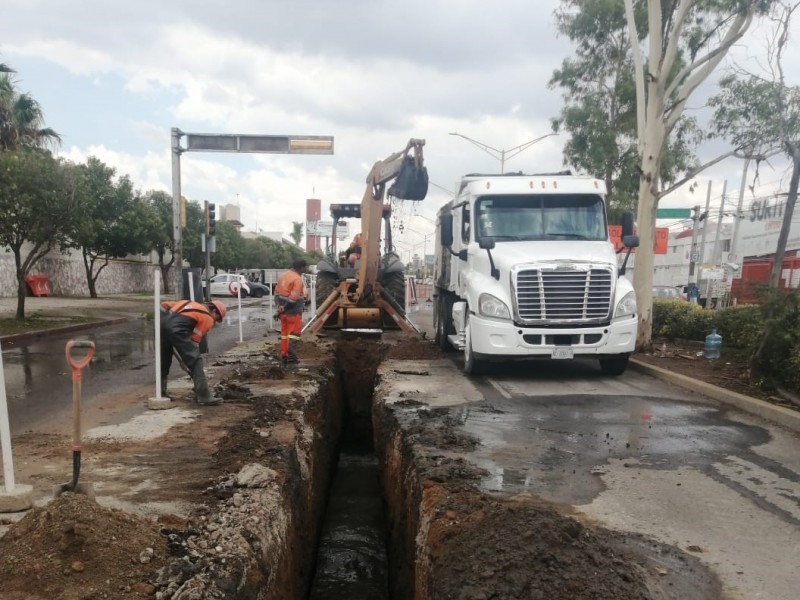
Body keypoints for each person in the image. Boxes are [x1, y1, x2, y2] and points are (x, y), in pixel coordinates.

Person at [160, 298, 227, 405]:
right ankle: (204, 396)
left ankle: (161, 393)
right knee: (196, 361)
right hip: (178, 330)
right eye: (217, 319)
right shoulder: (207, 317)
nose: (215, 322)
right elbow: (194, 340)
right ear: (214, 311)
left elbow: (164, 305)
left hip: (162, 325)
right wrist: (188, 359)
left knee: (164, 360)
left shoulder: (189, 303)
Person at [275, 258, 307, 368]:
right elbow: (293, 299)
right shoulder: (297, 279)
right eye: (304, 268)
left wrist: (279, 307)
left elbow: (276, 293)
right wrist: (284, 308)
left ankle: (284, 356)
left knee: (285, 335)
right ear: (301, 267)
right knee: (294, 335)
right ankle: (291, 360)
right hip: (293, 313)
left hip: (283, 313)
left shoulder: (282, 276)